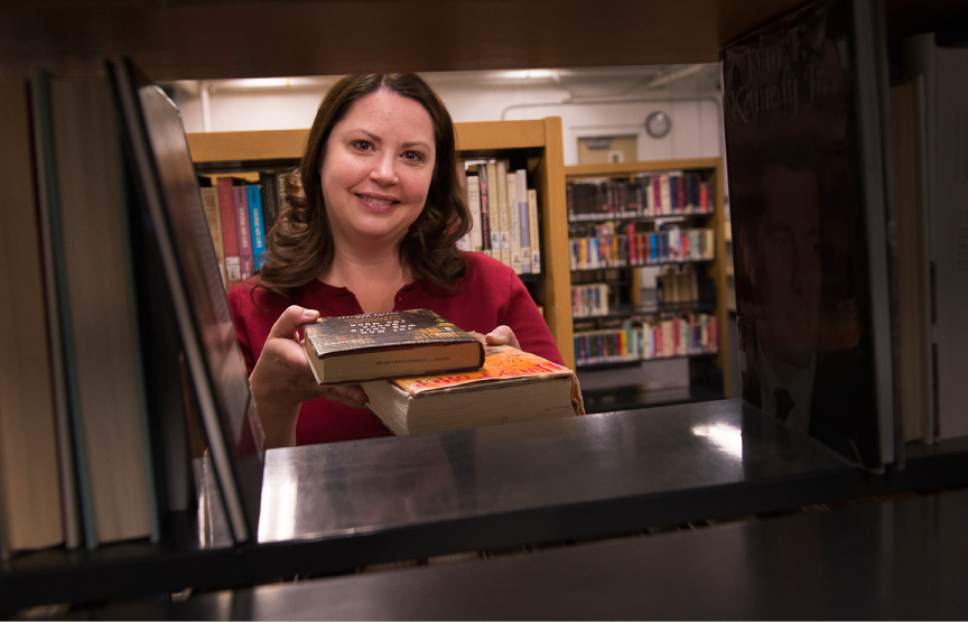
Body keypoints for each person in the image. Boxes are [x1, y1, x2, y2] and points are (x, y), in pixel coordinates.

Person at [228, 73, 562, 449]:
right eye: (362, 145)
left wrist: (519, 398)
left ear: (434, 178)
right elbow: (230, 492)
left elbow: (561, 452)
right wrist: (270, 399)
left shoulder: (494, 288)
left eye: (411, 156)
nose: (385, 174)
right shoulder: (248, 309)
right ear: (320, 157)